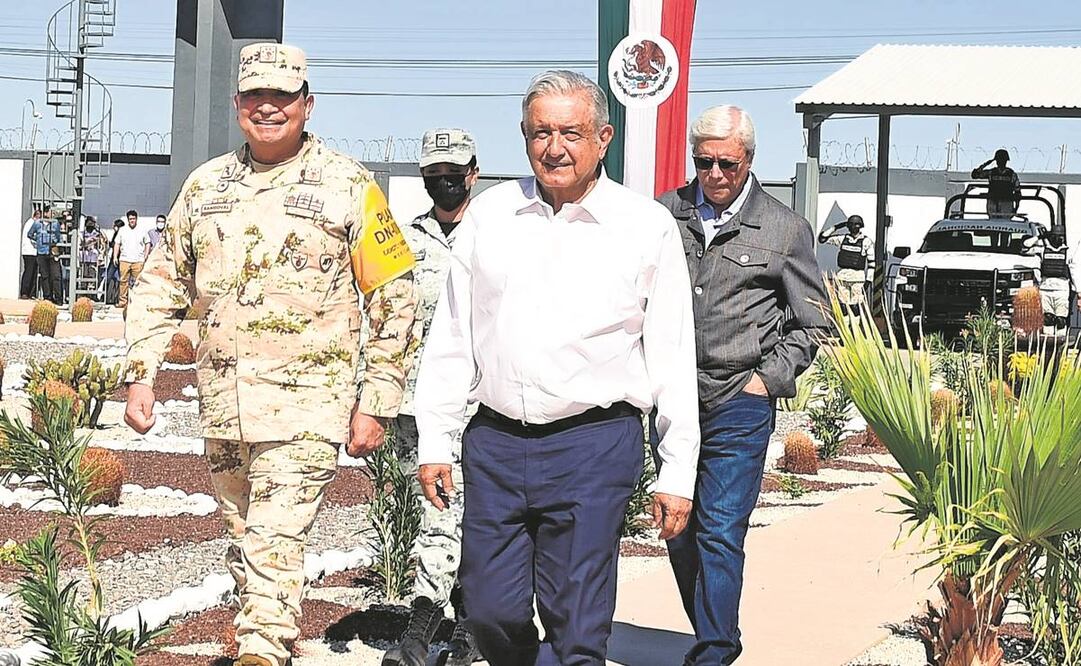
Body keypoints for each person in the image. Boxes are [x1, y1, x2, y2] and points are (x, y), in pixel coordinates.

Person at [121, 43, 418, 666]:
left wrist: (379, 399)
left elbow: (395, 293)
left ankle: (263, 652)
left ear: (307, 106)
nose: (268, 108)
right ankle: (268, 638)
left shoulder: (348, 186)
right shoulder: (205, 188)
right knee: (245, 540)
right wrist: (140, 375)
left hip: (308, 407)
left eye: (283, 97)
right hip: (224, 406)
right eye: (256, 96)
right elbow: (160, 283)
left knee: (274, 539)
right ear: (237, 106)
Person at [414, 70, 700, 665]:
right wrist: (434, 440)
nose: (555, 147)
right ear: (524, 137)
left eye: (571, 132)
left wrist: (677, 472)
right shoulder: (489, 216)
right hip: (495, 442)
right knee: (490, 611)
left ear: (603, 138)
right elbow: (451, 338)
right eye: (541, 132)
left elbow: (672, 354)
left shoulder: (644, 227)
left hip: (593, 446)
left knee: (578, 623)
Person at [657, 105, 830, 664]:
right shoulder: (665, 216)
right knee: (678, 529)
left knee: (720, 529)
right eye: (702, 161)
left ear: (748, 159)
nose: (713, 174)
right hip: (672, 401)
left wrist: (767, 379)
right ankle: (711, 630)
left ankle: (714, 649)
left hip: (739, 402)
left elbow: (816, 322)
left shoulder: (785, 228)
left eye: (725, 163)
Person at [382, 127, 480, 666]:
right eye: (432, 176)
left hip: (476, 403)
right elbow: (384, 316)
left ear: (473, 172)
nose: (443, 184)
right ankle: (465, 624)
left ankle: (422, 627)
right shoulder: (405, 239)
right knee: (435, 513)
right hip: (412, 405)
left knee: (450, 513)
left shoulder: (495, 234)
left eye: (452, 174)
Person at [818, 214, 873, 321]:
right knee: (843, 305)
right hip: (842, 277)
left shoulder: (866, 242)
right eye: (851, 225)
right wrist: (837, 227)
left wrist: (868, 281)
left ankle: (855, 329)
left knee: (855, 305)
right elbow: (822, 238)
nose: (853, 228)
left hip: (858, 278)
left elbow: (872, 263)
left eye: (855, 225)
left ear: (860, 226)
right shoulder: (842, 239)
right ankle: (846, 327)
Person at [1035, 227, 1074, 337]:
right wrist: (1039, 237)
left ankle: (1060, 343)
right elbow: (1025, 246)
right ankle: (1048, 343)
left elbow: (1074, 269)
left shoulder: (1068, 252)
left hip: (1061, 290)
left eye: (1060, 236)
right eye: (1054, 236)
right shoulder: (1043, 249)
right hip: (1045, 289)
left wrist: (1077, 289)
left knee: (1061, 320)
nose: (1057, 238)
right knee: (1047, 318)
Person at [113, 209, 150, 310]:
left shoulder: (142, 230)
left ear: (136, 219)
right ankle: (122, 302)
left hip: (138, 260)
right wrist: (115, 256)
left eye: (133, 219)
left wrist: (145, 256)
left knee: (139, 282)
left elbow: (148, 243)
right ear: (128, 219)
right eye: (130, 219)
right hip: (124, 259)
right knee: (123, 281)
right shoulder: (122, 230)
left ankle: (139, 301)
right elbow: (117, 244)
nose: (132, 221)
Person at [26, 207, 62, 304]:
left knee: (56, 276)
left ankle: (58, 298)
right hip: (41, 252)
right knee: (45, 275)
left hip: (52, 251)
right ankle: (48, 297)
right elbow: (29, 234)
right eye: (51, 212)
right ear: (46, 213)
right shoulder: (37, 223)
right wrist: (38, 241)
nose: (52, 214)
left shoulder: (55, 223)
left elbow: (58, 236)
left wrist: (55, 242)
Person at [971, 148, 1020, 218]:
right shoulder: (991, 173)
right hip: (993, 202)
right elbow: (975, 175)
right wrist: (987, 163)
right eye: (999, 160)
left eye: (1002, 160)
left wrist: (1016, 208)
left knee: (1005, 224)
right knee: (993, 223)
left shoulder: (1012, 174)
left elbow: (1017, 192)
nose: (1001, 162)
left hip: (1006, 204)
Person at [80, 216, 106, 299]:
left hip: (94, 258)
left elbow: (104, 241)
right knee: (84, 275)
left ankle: (92, 294)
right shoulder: (82, 233)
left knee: (92, 276)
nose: (90, 225)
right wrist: (88, 241)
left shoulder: (97, 233)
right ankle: (83, 294)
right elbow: (81, 243)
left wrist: (99, 231)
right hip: (84, 258)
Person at [20, 207, 41, 299]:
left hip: (33, 251)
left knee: (33, 272)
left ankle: (31, 293)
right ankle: (25, 292)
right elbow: (31, 236)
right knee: (29, 272)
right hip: (29, 251)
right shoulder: (31, 223)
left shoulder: (32, 223)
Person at [105, 218, 124, 305]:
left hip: (120, 259)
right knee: (109, 277)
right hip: (114, 258)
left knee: (120, 279)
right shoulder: (115, 234)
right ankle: (109, 298)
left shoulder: (122, 235)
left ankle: (117, 298)